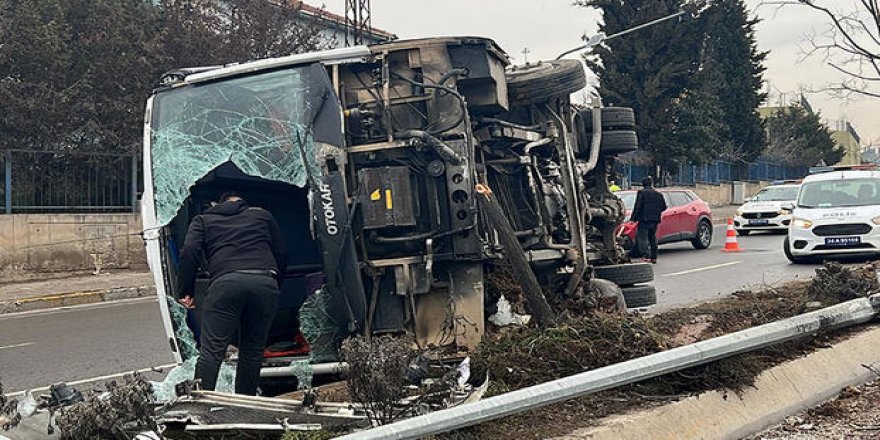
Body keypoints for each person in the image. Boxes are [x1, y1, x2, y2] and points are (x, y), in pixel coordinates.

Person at [178, 192, 287, 395]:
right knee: (252, 351)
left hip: (225, 283)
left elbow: (189, 251)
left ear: (218, 204)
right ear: (243, 203)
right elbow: (281, 252)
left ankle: (201, 403)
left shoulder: (203, 219)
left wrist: (186, 290)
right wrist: (272, 283)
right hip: (265, 282)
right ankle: (245, 405)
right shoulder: (262, 215)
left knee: (212, 350)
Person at [629, 176, 667, 264]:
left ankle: (646, 255)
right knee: (652, 237)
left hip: (644, 219)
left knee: (642, 238)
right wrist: (656, 212)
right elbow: (664, 207)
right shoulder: (658, 194)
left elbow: (638, 206)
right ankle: (654, 257)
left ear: (642, 184)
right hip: (655, 220)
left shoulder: (641, 193)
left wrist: (633, 218)